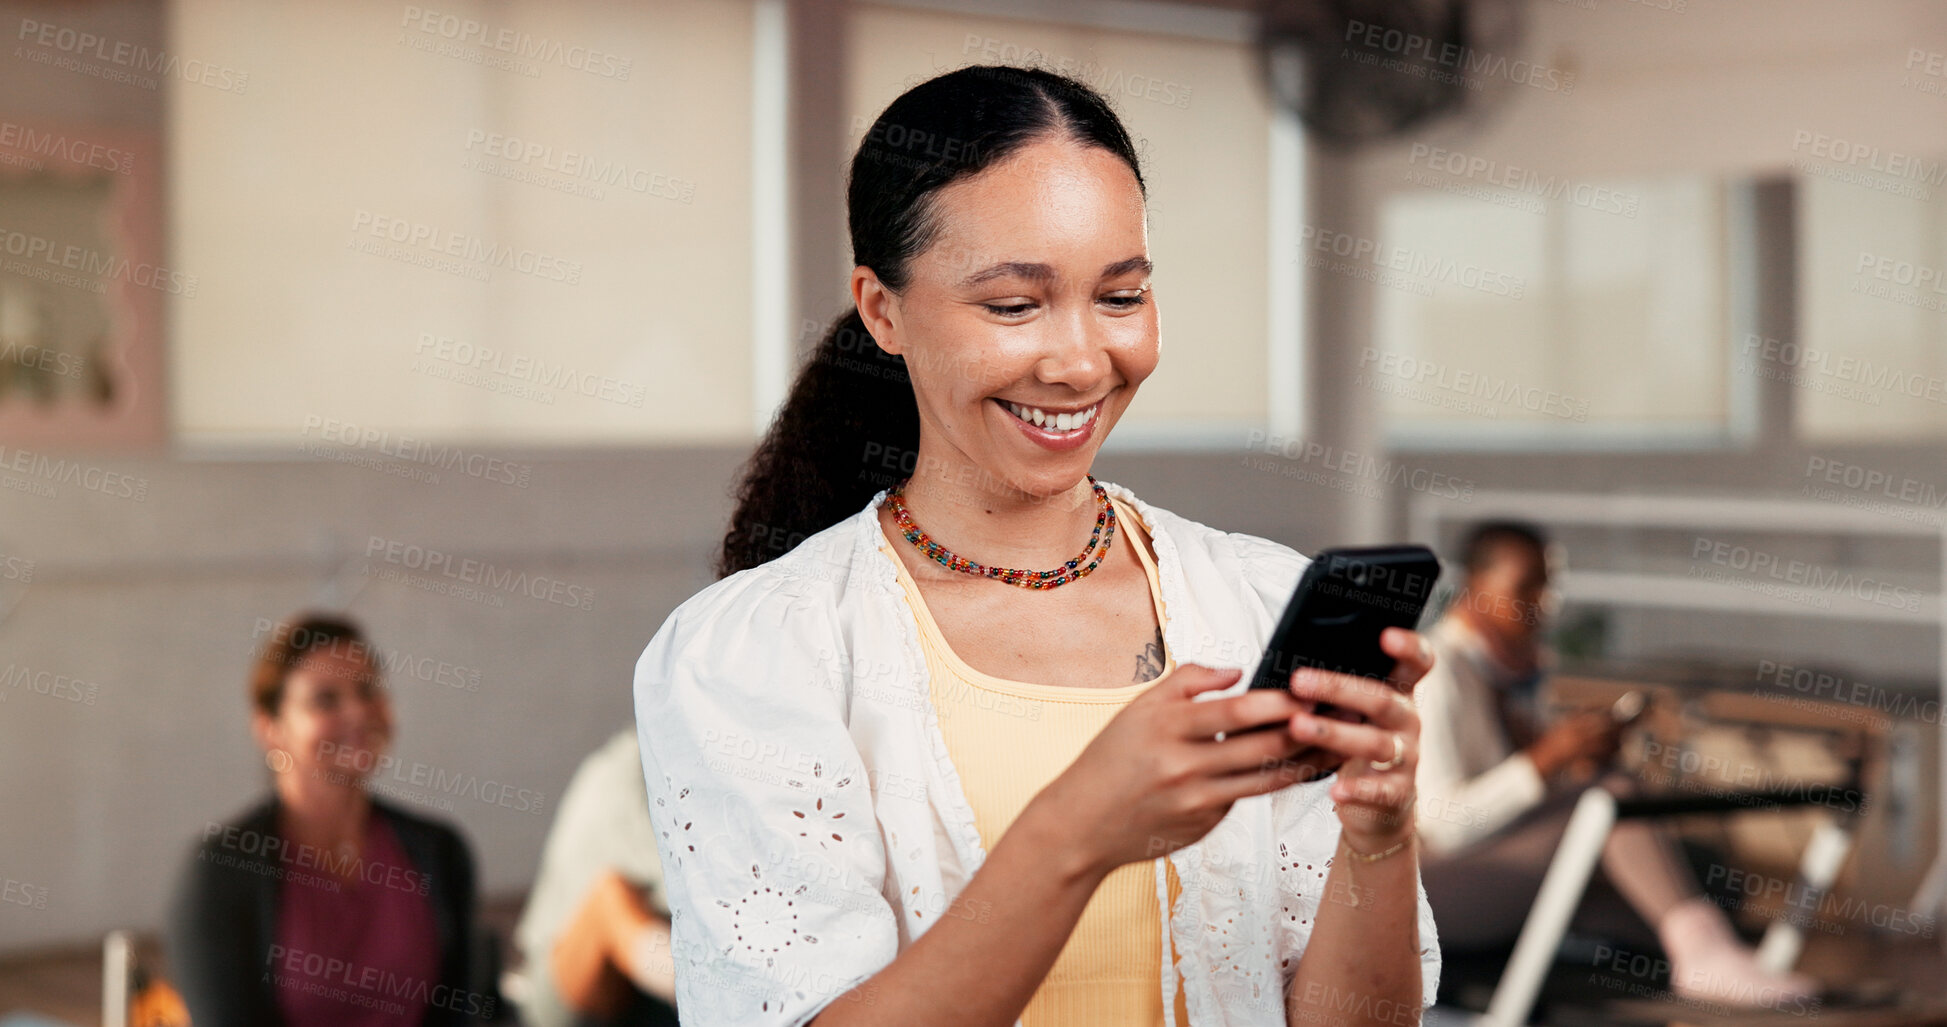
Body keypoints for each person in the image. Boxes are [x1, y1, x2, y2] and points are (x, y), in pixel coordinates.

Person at [633, 64, 1442, 1027]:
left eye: (1120, 296)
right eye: (1014, 306)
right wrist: (1075, 830)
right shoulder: (761, 651)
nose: (1078, 363)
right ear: (882, 309)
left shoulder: (1256, 599)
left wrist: (1380, 836)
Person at [1412, 522, 1819, 1006]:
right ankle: (1706, 959)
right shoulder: (1436, 671)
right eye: (1526, 588)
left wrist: (1571, 759)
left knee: (1681, 885)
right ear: (1475, 586)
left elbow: (1525, 793)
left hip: (1504, 860)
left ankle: (1726, 964)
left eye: (1548, 588)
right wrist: (1546, 761)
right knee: (1609, 798)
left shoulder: (1513, 672)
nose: (1541, 604)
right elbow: (1443, 825)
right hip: (1441, 884)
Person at [166, 613, 490, 1027]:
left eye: (368, 689)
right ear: (270, 730)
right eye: (326, 700)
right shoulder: (221, 869)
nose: (358, 712)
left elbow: (459, 1016)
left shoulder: (439, 850)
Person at [513, 727, 679, 1026]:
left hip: (643, 989)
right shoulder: (626, 769)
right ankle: (699, 991)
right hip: (565, 985)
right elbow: (678, 886)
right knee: (612, 897)